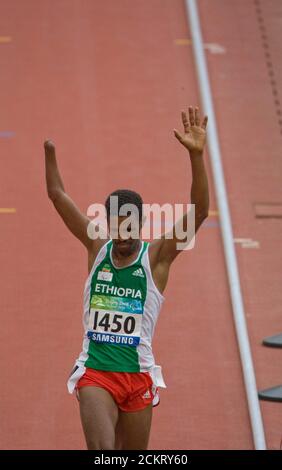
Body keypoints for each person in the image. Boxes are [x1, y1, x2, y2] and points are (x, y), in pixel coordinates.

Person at [44, 106, 209, 450]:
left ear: (141, 225)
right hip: (96, 373)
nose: (121, 234)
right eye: (116, 225)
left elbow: (200, 211)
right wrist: (49, 153)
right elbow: (58, 196)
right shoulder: (96, 247)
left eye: (129, 226)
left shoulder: (157, 258)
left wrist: (196, 156)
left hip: (138, 377)